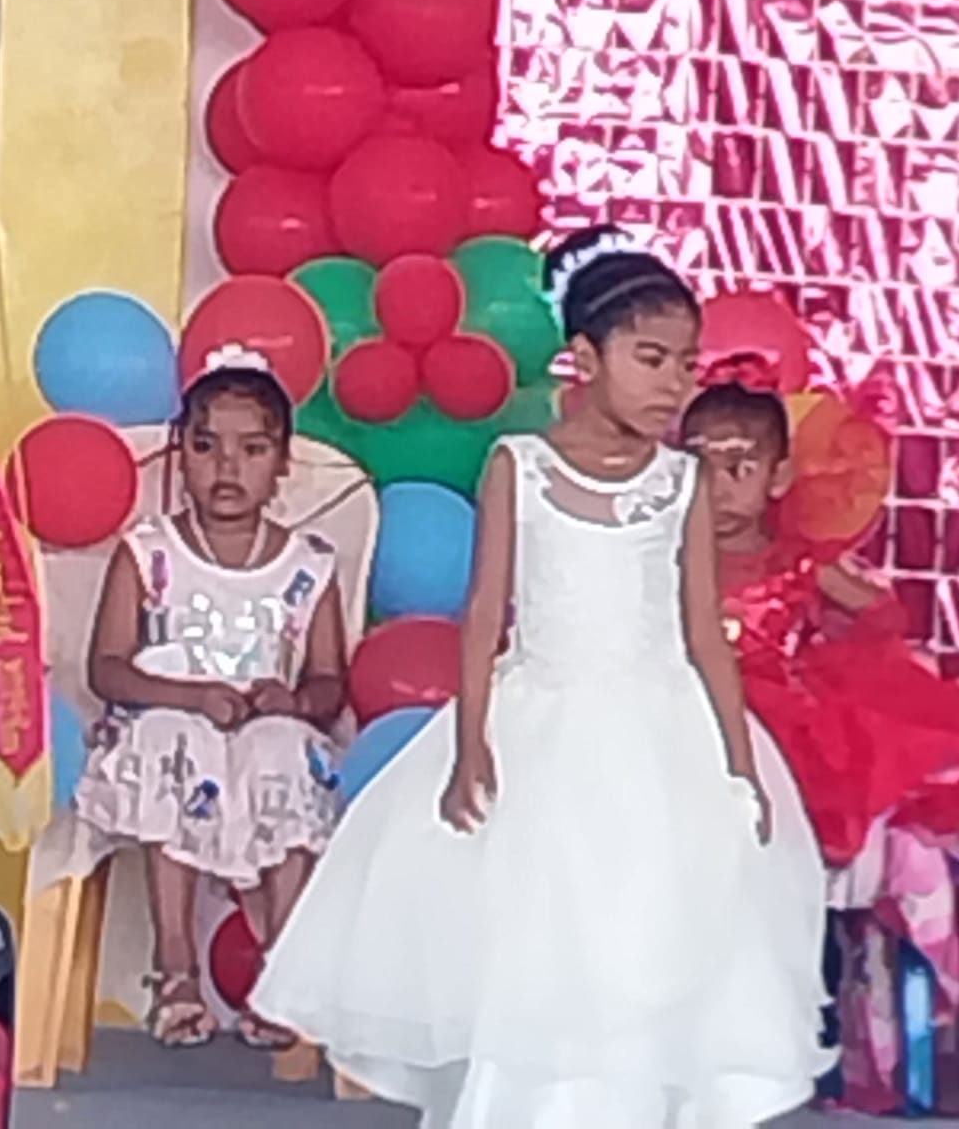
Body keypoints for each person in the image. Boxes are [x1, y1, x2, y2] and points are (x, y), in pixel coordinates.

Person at [251, 227, 833, 1127]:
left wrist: (738, 763)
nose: (673, 384)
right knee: (542, 928)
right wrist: (470, 744)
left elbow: (702, 634)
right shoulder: (519, 466)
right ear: (586, 359)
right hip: (542, 728)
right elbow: (486, 612)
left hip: (660, 733)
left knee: (643, 923)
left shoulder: (682, 482)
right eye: (651, 360)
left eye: (685, 364)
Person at [71, 354, 348, 1050]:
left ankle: (281, 975)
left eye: (252, 450)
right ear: (180, 454)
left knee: (285, 751)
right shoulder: (149, 552)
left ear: (282, 464)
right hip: (166, 727)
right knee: (177, 741)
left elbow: (329, 682)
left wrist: (292, 701)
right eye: (205, 446)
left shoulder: (308, 565)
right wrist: (190, 695)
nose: (227, 468)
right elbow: (107, 668)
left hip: (259, 735)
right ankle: (176, 967)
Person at [682, 362, 959, 868]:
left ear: (779, 477)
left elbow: (879, 614)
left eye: (740, 469)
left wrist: (833, 653)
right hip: (688, 711)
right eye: (701, 469)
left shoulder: (797, 560)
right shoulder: (667, 556)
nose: (719, 489)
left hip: (778, 721)